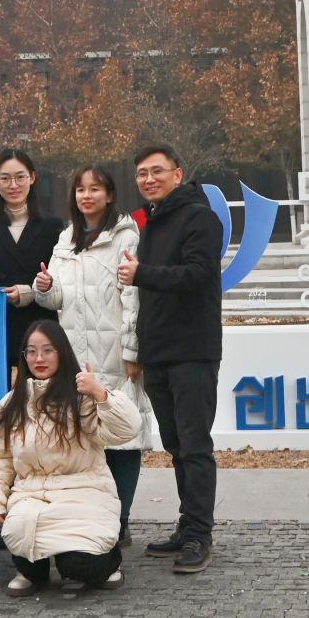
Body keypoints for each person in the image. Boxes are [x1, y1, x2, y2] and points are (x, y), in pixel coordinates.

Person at [118, 143, 223, 575]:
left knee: (195, 447)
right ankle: (187, 525)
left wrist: (141, 273)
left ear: (177, 174)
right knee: (176, 447)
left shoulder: (200, 218)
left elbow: (199, 275)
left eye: (157, 171)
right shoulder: (152, 222)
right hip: (158, 353)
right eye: (142, 173)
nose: (148, 179)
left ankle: (200, 535)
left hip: (193, 351)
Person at [0, 321, 140, 597]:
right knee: (26, 554)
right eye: (31, 351)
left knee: (78, 566)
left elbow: (127, 430)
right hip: (30, 499)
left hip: (83, 494)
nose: (38, 358)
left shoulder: (82, 397)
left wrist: (100, 394)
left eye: (47, 350)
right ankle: (32, 570)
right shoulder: (10, 404)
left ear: (61, 353)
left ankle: (107, 561)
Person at [33, 164, 152, 546]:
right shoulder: (66, 238)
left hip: (115, 354)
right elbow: (55, 299)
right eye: (81, 189)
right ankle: (93, 518)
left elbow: (133, 297)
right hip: (75, 356)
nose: (87, 196)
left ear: (110, 195)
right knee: (86, 438)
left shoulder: (125, 237)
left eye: (95, 189)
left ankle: (121, 520)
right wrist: (43, 286)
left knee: (123, 436)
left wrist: (132, 351)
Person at [0, 148, 66, 381]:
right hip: (0, 330)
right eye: (5, 178)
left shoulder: (52, 226)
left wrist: (30, 292)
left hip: (40, 325)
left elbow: (59, 279)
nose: (13, 185)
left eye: (20, 177)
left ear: (32, 178)